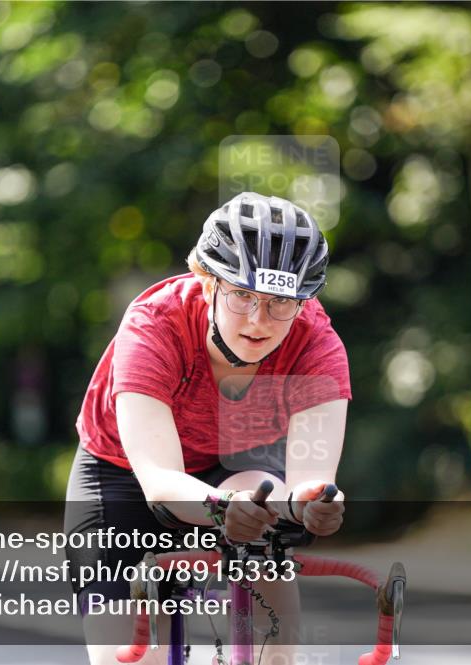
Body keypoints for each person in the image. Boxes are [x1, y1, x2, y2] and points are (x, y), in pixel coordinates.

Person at [65, 193, 350, 664]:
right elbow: (159, 480)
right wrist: (223, 510)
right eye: (242, 295)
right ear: (206, 281)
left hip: (236, 466)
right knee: (128, 654)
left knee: (266, 516)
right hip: (123, 473)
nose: (259, 321)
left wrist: (310, 505)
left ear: (304, 302)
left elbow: (308, 484)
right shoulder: (155, 324)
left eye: (280, 302)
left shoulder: (317, 347)